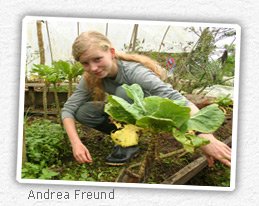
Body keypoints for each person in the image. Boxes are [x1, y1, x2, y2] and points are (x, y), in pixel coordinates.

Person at [61, 31, 231, 167]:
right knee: (83, 111)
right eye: (85, 63)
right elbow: (68, 110)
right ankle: (128, 139)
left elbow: (177, 99)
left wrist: (205, 137)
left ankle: (133, 135)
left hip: (155, 118)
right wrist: (76, 143)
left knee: (123, 92)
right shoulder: (90, 76)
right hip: (133, 114)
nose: (93, 67)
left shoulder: (134, 72)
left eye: (98, 59)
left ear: (111, 53)